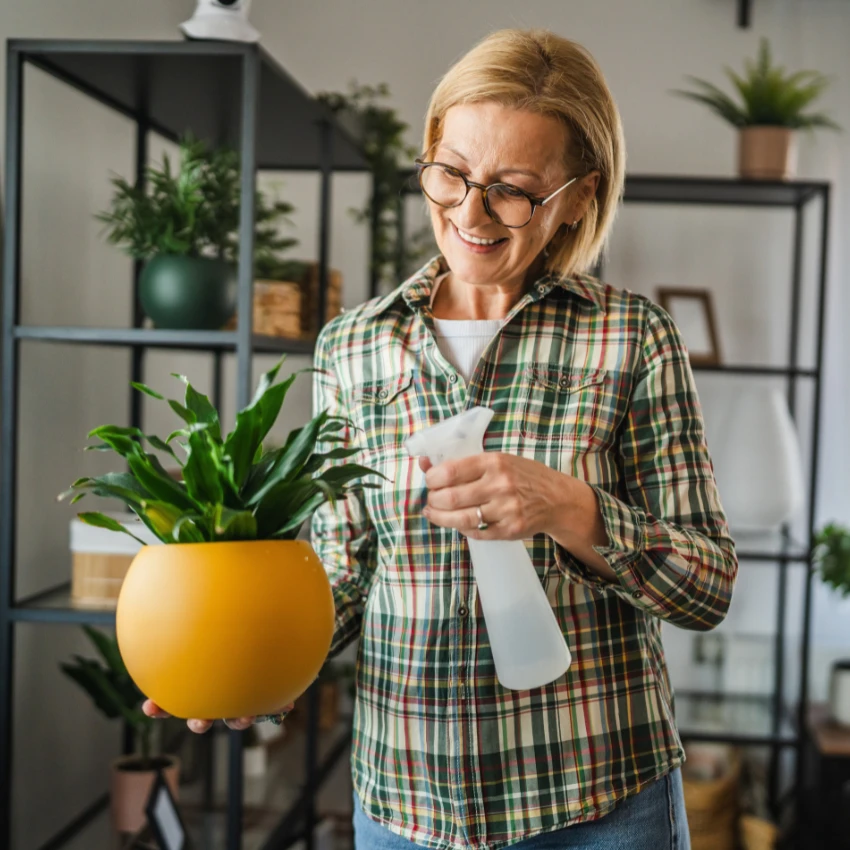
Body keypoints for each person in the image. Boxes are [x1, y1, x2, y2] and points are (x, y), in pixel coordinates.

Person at [147, 27, 737, 849]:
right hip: (407, 805)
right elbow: (343, 572)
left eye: (513, 189)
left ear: (574, 194)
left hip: (600, 798)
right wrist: (258, 668)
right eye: (451, 173)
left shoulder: (632, 338)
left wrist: (569, 507)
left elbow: (707, 587)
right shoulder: (352, 347)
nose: (469, 213)